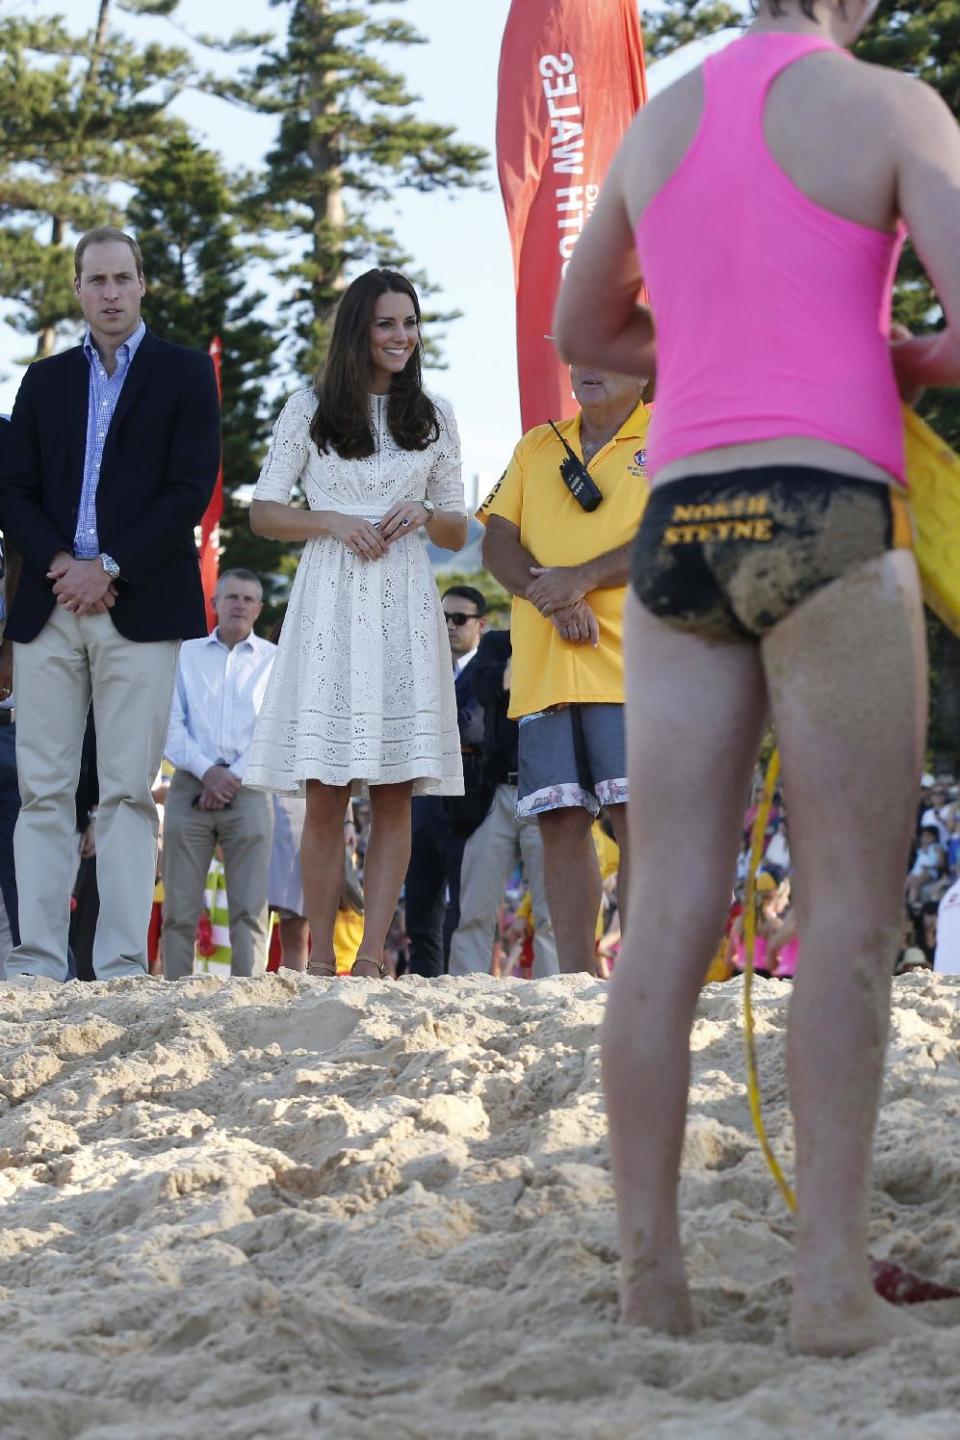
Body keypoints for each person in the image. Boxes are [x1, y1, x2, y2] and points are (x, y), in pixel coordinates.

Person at [554, 0, 960, 1357]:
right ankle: (831, 1291)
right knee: (846, 916)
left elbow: (581, 326)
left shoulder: (662, 120)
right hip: (826, 506)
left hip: (680, 525)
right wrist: (891, 357)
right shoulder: (892, 106)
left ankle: (648, 1287)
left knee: (664, 911)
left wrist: (714, 353)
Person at [0, 226, 220, 982]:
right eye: (96, 281)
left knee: (128, 791)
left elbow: (190, 489)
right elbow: (13, 490)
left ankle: (123, 964)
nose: (111, 293)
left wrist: (111, 567)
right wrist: (66, 565)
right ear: (78, 290)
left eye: (123, 278)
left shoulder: (187, 374)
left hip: (142, 604)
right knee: (44, 792)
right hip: (50, 606)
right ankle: (35, 963)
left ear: (143, 283)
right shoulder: (42, 380)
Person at [245, 268, 467, 979]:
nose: (402, 337)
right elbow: (264, 512)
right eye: (386, 324)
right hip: (329, 603)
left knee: (396, 785)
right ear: (357, 331)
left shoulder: (435, 414)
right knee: (324, 787)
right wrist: (332, 521)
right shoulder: (306, 408)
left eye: (410, 323)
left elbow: (461, 528)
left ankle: (371, 953)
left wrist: (427, 516)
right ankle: (316, 964)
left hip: (403, 604)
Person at [480, 366, 650, 974]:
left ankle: (641, 975)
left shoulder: (674, 436)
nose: (587, 367)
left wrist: (581, 580)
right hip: (546, 663)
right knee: (561, 824)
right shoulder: (537, 443)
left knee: (639, 825)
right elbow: (496, 542)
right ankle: (578, 980)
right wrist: (554, 598)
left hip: (637, 667)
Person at [162, 569, 276, 980]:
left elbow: (276, 728)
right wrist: (208, 772)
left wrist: (232, 777)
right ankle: (174, 994)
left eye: (248, 598)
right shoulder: (185, 654)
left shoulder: (275, 661)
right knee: (179, 909)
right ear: (214, 603)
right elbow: (169, 725)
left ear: (259, 608)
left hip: (249, 791)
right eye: (231, 597)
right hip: (189, 788)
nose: (239, 605)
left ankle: (248, 999)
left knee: (251, 908)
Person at [447, 626, 558, 978]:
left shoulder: (565, 634)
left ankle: (556, 991)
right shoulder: (498, 642)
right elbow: (488, 686)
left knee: (553, 912)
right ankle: (466, 990)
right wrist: (531, 648)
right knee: (474, 908)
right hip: (498, 792)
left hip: (550, 792)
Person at [403, 584, 487, 978]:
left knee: (465, 909)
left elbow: (475, 729)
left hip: (470, 801)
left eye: (459, 618)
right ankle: (424, 988)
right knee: (419, 912)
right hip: (421, 797)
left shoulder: (492, 665)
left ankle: (461, 986)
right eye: (442, 618)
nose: (449, 626)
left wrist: (428, 719)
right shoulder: (420, 666)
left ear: (480, 624)